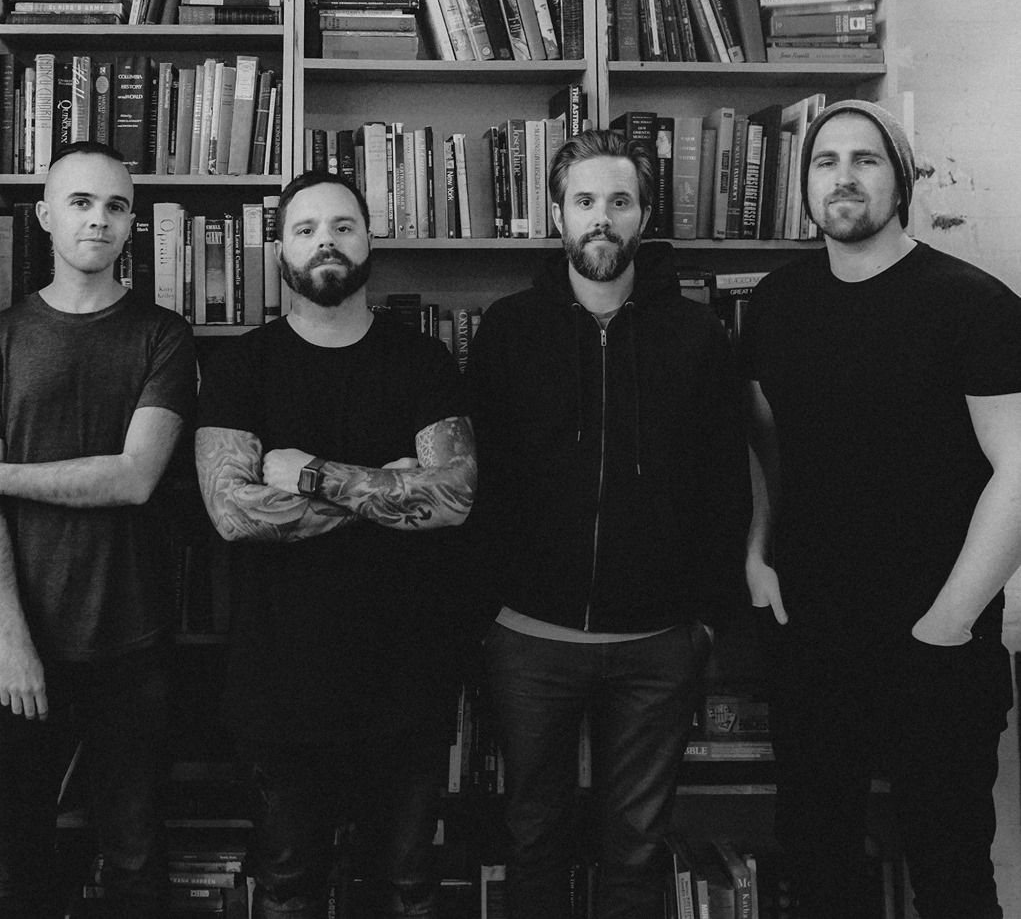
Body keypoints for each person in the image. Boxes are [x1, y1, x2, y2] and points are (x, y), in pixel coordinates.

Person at [743, 99, 1021, 919]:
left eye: (864, 159)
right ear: (803, 185)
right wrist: (757, 552)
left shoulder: (972, 302)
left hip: (936, 646)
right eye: (824, 161)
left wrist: (948, 621)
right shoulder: (777, 301)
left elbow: (1019, 467)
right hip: (810, 638)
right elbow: (763, 441)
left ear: (900, 180)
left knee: (950, 876)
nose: (842, 177)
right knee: (819, 867)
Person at [464, 129, 750, 919]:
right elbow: (476, 480)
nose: (600, 217)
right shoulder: (508, 328)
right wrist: (483, 612)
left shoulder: (695, 334)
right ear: (556, 214)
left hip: (656, 641)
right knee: (532, 836)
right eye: (583, 200)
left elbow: (724, 484)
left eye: (618, 201)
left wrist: (704, 619)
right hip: (527, 637)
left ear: (643, 216)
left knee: (635, 848)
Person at [194, 170, 476, 919]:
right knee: (289, 891)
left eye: (343, 226)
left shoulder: (423, 361)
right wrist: (387, 489)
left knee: (408, 890)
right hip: (279, 689)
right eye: (306, 228)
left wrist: (314, 475)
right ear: (280, 249)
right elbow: (231, 511)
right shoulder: (240, 365)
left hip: (407, 683)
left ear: (369, 241)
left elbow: (453, 497)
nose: (327, 241)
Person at [0, 141, 195, 919]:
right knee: (15, 868)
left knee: (137, 862)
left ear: (131, 222)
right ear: (46, 216)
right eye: (81, 202)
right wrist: (13, 640)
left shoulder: (163, 334)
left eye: (115, 206)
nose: (99, 219)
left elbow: (135, 475)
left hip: (129, 643)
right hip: (9, 643)